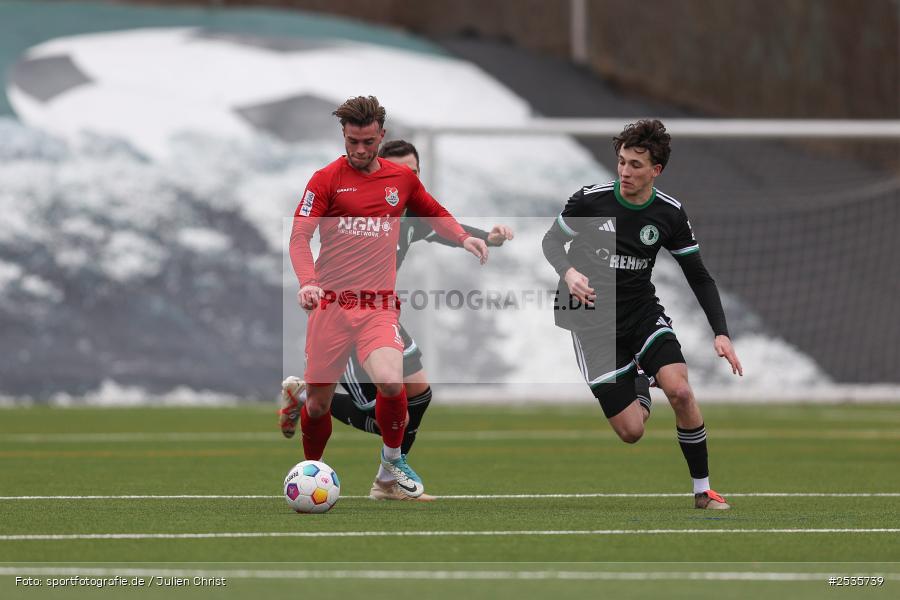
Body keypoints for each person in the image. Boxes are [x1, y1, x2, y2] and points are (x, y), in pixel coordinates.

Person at [281, 140, 513, 501]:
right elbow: (301, 235)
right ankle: (304, 394)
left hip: (378, 310)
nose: (408, 179)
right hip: (336, 313)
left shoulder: (411, 218)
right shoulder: (345, 196)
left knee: (415, 395)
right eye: (402, 172)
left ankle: (387, 479)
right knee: (371, 415)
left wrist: (487, 238)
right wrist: (309, 282)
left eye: (415, 173)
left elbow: (451, 229)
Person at [542, 119, 742, 510]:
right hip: (589, 320)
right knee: (632, 431)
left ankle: (703, 491)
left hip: (640, 312)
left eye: (635, 164)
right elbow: (551, 241)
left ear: (656, 170)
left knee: (681, 391)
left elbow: (698, 276)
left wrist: (721, 332)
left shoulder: (669, 213)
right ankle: (637, 379)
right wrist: (568, 271)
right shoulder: (589, 200)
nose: (625, 171)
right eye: (621, 162)